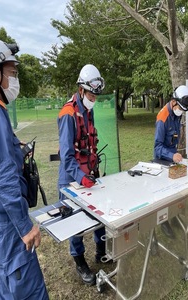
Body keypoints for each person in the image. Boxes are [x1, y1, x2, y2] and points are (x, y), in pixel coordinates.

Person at [0, 38, 49, 299]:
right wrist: (25, 226)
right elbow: (1, 176)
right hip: (8, 227)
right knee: (28, 292)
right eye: (12, 73)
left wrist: (10, 145)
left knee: (4, 290)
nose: (15, 80)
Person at [58, 64, 106, 286]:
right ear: (81, 90)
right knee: (75, 223)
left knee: (99, 215)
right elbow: (67, 156)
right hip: (71, 177)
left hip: (88, 174)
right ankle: (79, 260)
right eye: (91, 95)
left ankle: (101, 250)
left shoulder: (89, 110)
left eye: (96, 96)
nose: (93, 99)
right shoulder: (68, 114)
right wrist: (80, 177)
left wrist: (92, 171)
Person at [154, 85, 188, 238]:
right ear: (173, 101)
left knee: (175, 191)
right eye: (180, 108)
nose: (181, 112)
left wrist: (175, 155)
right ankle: (164, 222)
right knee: (163, 196)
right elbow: (157, 147)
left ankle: (174, 216)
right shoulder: (162, 118)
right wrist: (171, 156)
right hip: (161, 161)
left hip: (173, 158)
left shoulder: (178, 113)